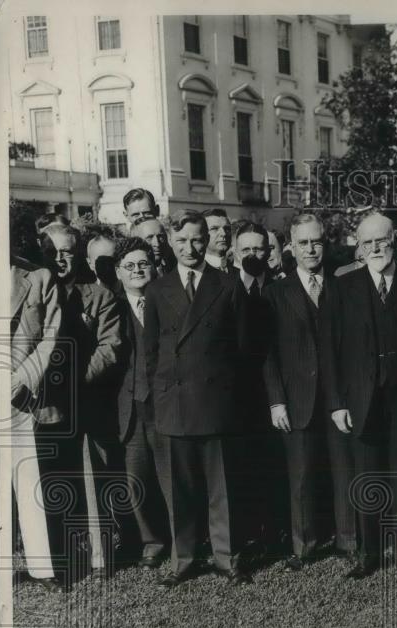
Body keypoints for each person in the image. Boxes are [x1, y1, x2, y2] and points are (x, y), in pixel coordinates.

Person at [143, 210, 251, 587]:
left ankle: (226, 557)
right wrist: (162, 397)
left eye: (197, 240)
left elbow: (242, 348)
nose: (190, 248)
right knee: (180, 490)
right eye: (182, 240)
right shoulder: (157, 290)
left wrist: (231, 397)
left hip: (216, 402)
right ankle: (184, 558)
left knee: (222, 488)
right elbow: (152, 352)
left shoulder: (228, 284)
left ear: (207, 240)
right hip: (174, 403)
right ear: (170, 243)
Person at [325, 213, 397, 579]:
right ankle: (367, 552)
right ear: (359, 246)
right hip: (360, 399)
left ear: (395, 240)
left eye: (381, 240)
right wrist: (337, 403)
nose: (375, 248)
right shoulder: (342, 287)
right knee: (366, 477)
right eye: (367, 242)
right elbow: (330, 349)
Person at [264, 214, 355, 568]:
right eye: (303, 243)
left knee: (342, 470)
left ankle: (348, 540)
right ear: (291, 247)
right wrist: (276, 401)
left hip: (337, 397)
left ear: (326, 244)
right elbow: (267, 353)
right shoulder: (275, 293)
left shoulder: (342, 286)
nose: (311, 248)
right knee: (300, 476)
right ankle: (305, 546)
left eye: (316, 241)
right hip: (296, 397)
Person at [47, 224, 125, 579]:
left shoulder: (97, 295)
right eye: (53, 251)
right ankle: (60, 556)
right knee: (56, 478)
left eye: (66, 251)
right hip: (45, 404)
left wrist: (74, 383)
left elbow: (109, 348)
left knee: (94, 474)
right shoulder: (35, 290)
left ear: (77, 256)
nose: (59, 259)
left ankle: (100, 556)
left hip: (88, 398)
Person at [113, 237, 170, 568]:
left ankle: (182, 537)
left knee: (171, 477)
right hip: (131, 408)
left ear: (154, 266)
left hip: (166, 404)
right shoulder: (112, 307)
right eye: (130, 266)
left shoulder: (168, 300)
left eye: (143, 263)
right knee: (136, 480)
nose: (137, 270)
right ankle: (152, 541)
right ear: (119, 272)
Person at [10, 255, 64, 591]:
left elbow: (51, 335)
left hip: (19, 393)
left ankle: (42, 569)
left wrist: (24, 378)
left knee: (29, 479)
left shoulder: (39, 278)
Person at [228, 222, 280, 561]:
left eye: (259, 249)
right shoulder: (223, 289)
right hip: (235, 395)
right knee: (240, 468)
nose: (252, 255)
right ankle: (246, 535)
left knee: (273, 467)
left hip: (274, 393)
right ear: (234, 253)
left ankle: (274, 534)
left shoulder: (280, 289)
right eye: (245, 249)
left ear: (269, 252)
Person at [85, 224, 118, 291]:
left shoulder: (130, 292)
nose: (107, 266)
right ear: (90, 264)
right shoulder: (86, 296)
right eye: (101, 262)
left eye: (112, 260)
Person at [202, 208, 234, 274]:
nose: (224, 233)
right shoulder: (196, 270)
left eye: (227, 229)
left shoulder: (240, 270)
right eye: (214, 229)